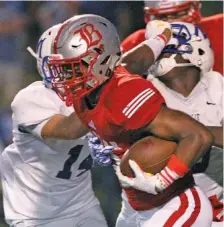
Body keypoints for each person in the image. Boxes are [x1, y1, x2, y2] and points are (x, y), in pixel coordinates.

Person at [48, 14, 214, 227]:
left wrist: (161, 181)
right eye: (63, 69)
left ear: (99, 61)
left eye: (72, 67)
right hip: (134, 207)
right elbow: (133, 61)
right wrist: (162, 36)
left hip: (174, 204)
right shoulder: (89, 94)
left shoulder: (124, 94)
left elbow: (199, 135)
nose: (65, 76)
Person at [0, 23, 108, 227]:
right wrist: (108, 91)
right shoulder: (31, 98)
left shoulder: (97, 95)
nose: (70, 73)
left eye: (78, 65)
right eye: (64, 66)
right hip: (34, 214)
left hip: (81, 205)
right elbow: (70, 129)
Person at [121, 21, 224, 226]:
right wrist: (191, 137)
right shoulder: (145, 90)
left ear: (196, 48)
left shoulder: (216, 84)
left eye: (167, 49)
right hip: (159, 204)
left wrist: (189, 136)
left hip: (216, 202)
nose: (159, 55)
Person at [121, 0, 223, 75]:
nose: (170, 23)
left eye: (176, 14)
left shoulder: (219, 27)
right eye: (162, 17)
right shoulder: (137, 42)